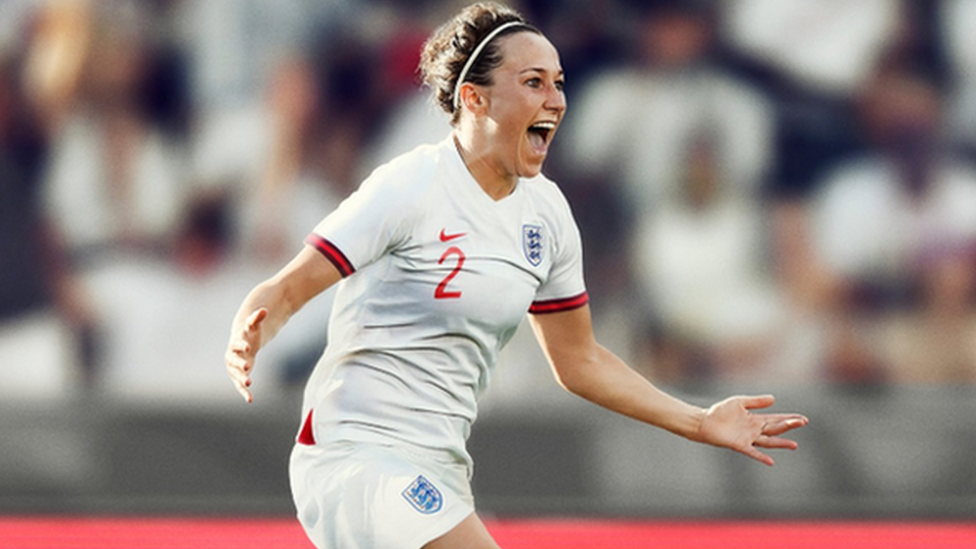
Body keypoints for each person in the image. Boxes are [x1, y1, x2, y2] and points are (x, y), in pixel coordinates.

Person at [224, 4, 808, 548]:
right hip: (354, 457)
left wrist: (699, 421)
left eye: (558, 83)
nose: (554, 98)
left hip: (439, 471)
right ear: (474, 99)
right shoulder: (408, 187)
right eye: (533, 82)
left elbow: (580, 362)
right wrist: (251, 331)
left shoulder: (547, 215)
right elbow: (289, 286)